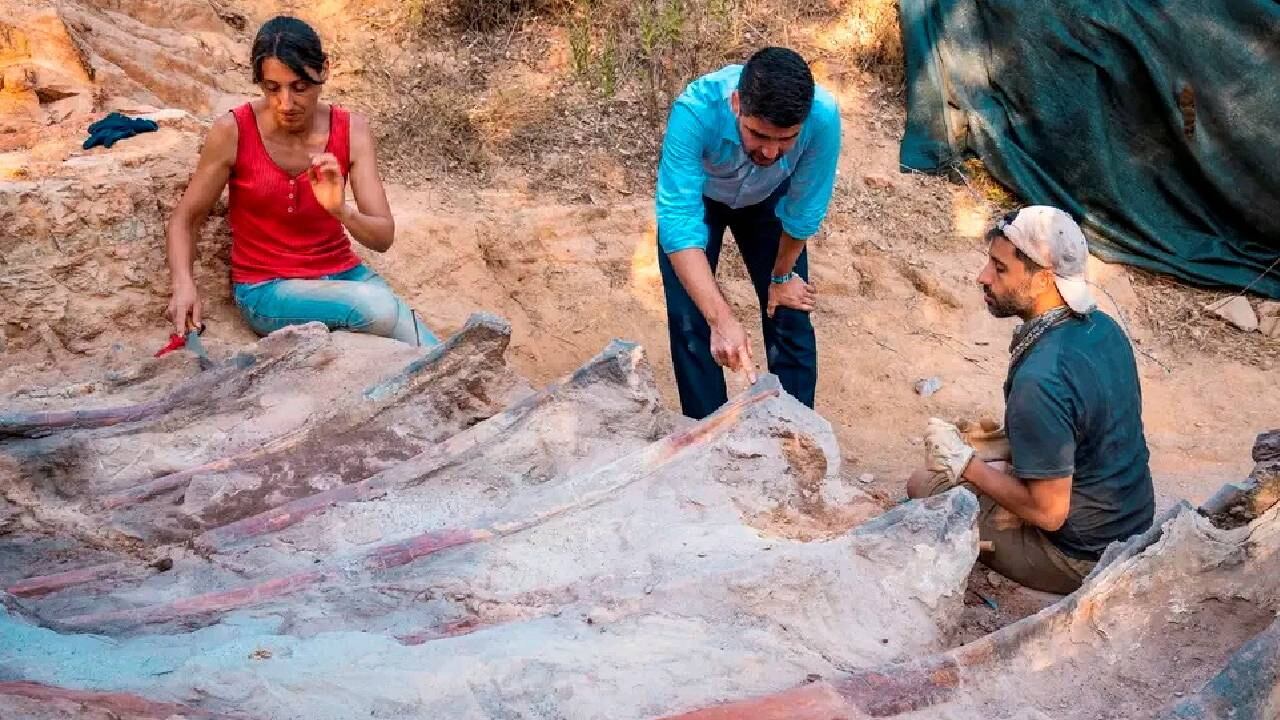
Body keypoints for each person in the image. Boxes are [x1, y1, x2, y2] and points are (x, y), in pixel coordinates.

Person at [909, 206, 1155, 594]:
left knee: (925, 483)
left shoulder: (1041, 381)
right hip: (1132, 520)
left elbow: (1049, 513)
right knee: (984, 447)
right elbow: (1086, 424)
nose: (982, 277)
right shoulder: (1103, 328)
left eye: (1000, 268)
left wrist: (967, 465)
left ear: (1043, 278)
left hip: (1082, 555)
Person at [165, 16, 437, 346]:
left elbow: (382, 238)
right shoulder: (234, 131)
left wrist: (340, 210)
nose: (286, 103)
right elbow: (186, 218)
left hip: (345, 275)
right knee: (380, 309)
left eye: (300, 87)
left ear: (323, 70)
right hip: (267, 289)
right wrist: (183, 284)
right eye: (272, 88)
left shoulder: (352, 130)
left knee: (434, 350)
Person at [655, 46, 841, 419]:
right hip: (703, 199)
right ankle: (706, 435)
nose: (771, 152)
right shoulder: (695, 111)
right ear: (737, 103)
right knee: (693, 317)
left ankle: (797, 434)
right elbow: (678, 222)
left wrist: (782, 276)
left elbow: (804, 210)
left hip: (770, 200)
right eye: (758, 135)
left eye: (785, 139)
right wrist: (721, 320)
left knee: (790, 309)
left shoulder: (823, 118)